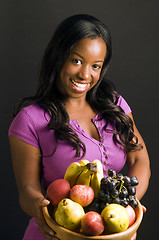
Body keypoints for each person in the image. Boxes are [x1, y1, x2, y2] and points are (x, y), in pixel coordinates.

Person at [9, 14, 151, 240]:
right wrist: (39, 206)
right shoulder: (30, 120)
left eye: (96, 65)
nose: (85, 75)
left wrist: (129, 206)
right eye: (76, 60)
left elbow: (139, 158)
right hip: (57, 234)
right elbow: (27, 189)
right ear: (58, 57)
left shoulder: (115, 105)